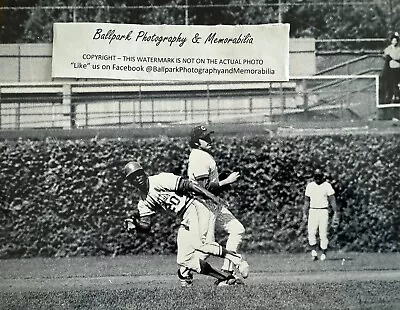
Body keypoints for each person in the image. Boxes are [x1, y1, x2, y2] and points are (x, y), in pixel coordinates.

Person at [122, 161, 249, 287]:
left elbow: (189, 185)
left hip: (194, 206)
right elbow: (146, 225)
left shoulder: (159, 180)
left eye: (139, 174)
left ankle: (237, 259)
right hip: (185, 216)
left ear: (144, 173)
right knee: (184, 259)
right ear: (130, 182)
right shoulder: (143, 201)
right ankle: (226, 279)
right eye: (133, 177)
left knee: (200, 244)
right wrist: (136, 224)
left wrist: (211, 196)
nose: (137, 178)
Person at [187, 125, 246, 282]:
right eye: (205, 137)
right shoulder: (199, 157)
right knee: (208, 246)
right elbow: (203, 187)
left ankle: (227, 272)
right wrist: (228, 181)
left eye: (209, 136)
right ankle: (185, 271)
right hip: (204, 206)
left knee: (237, 229)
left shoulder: (202, 155)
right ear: (196, 141)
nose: (209, 139)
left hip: (212, 204)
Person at [303, 168, 339, 261]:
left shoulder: (327, 186)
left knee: (323, 233)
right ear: (314, 177)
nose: (318, 178)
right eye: (316, 176)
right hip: (313, 211)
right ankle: (314, 253)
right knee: (311, 232)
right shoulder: (310, 186)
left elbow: (332, 199)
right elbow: (307, 201)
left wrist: (335, 212)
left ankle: (323, 253)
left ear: (322, 176)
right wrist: (304, 213)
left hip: (323, 211)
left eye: (319, 176)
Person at [383, 32, 400, 104]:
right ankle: (389, 96)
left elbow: (398, 57)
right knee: (390, 82)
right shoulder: (389, 48)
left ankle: (397, 96)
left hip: (397, 68)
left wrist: (393, 57)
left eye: (396, 40)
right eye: (393, 40)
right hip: (390, 68)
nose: (394, 42)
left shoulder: (399, 49)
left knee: (396, 83)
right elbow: (385, 55)